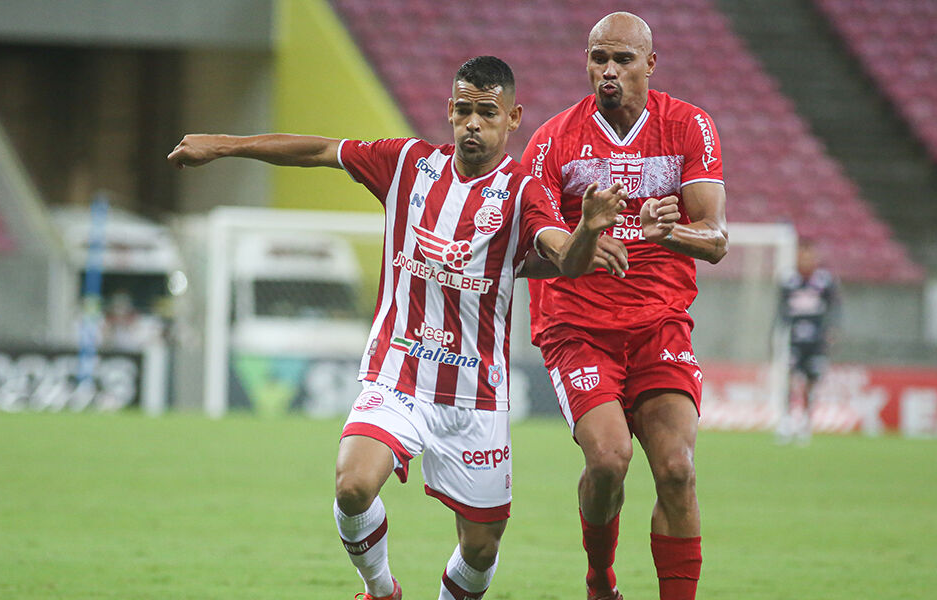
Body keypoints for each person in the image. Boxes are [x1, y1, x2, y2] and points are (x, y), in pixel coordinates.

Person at [168, 56, 626, 600]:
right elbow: (319, 150)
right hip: (398, 372)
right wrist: (221, 144)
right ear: (449, 111)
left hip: (474, 396)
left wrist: (587, 231)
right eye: (463, 111)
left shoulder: (523, 192)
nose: (473, 124)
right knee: (353, 484)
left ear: (513, 117)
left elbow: (564, 260)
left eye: (487, 113)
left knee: (481, 549)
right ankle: (381, 590)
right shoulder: (408, 164)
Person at [519, 12, 727, 600]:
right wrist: (584, 238)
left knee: (678, 471)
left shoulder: (688, 126)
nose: (608, 71)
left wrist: (671, 236)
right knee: (608, 461)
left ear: (650, 65)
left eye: (623, 59)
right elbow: (529, 256)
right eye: (597, 58)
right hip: (577, 327)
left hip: (660, 324)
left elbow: (716, 239)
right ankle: (599, 579)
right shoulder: (553, 141)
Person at [776, 240, 840, 445]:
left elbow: (835, 309)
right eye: (802, 255)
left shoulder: (825, 281)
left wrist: (832, 331)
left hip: (816, 341)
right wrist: (776, 333)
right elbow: (780, 311)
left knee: (811, 382)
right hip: (793, 339)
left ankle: (805, 422)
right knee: (790, 380)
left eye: (809, 255)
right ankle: (786, 421)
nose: (805, 260)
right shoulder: (788, 281)